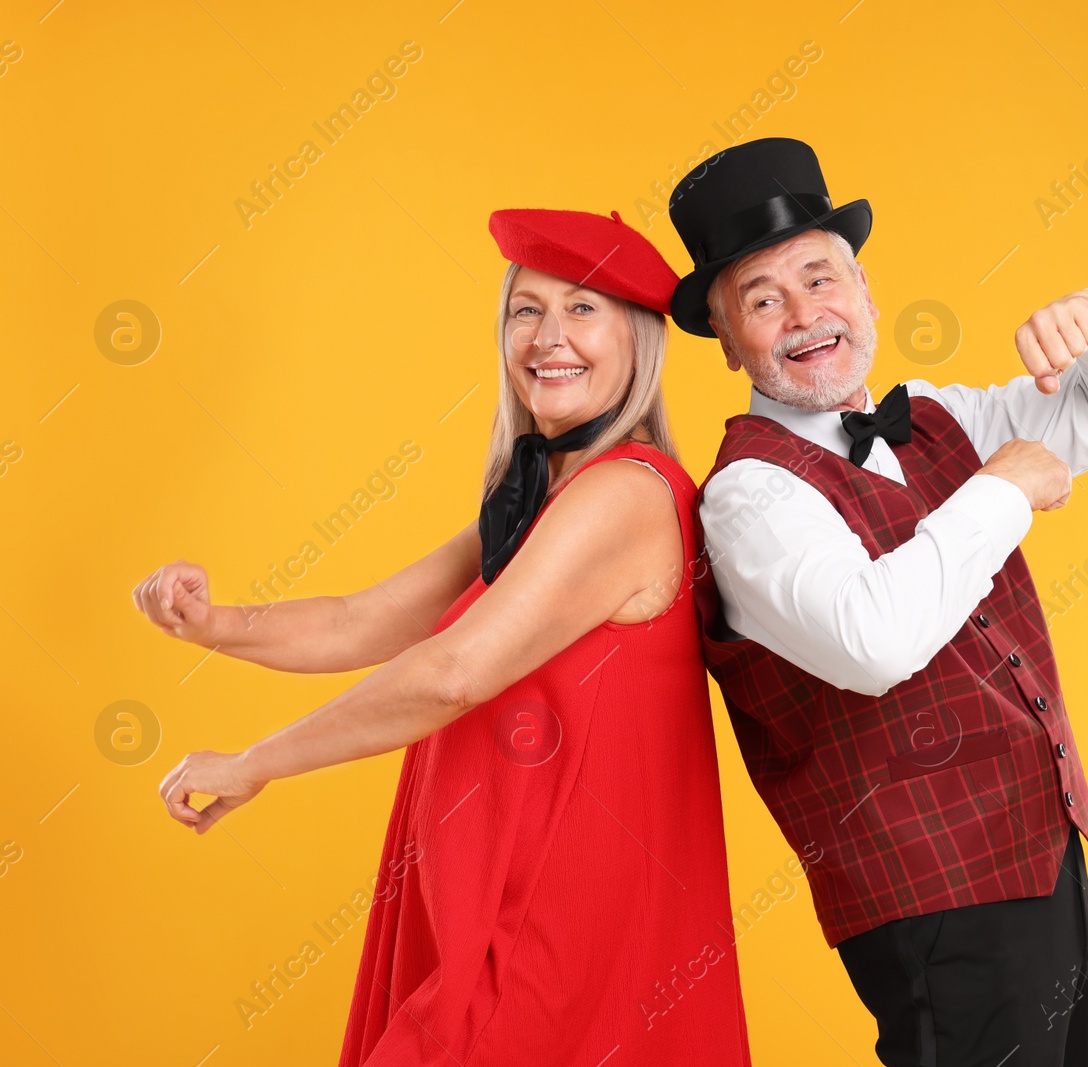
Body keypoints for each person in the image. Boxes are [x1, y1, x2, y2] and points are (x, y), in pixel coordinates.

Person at [133, 208, 752, 1066]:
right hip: (483, 907)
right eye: (525, 309)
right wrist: (215, 622)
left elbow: (453, 672)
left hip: (547, 934)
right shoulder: (541, 499)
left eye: (582, 309)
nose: (547, 336)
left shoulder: (626, 496)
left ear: (640, 340)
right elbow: (368, 619)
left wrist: (256, 761)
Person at [670, 137, 1088, 1066]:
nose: (802, 314)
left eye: (820, 278)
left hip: (1042, 862)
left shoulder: (945, 419)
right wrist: (1006, 490)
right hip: (931, 903)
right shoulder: (747, 495)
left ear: (865, 293)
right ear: (726, 338)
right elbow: (875, 640)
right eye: (761, 298)